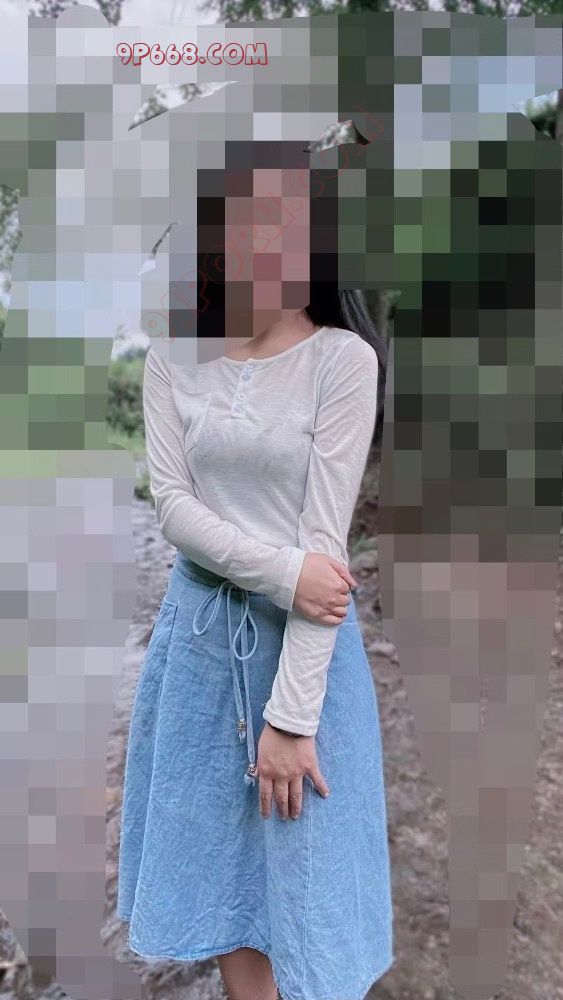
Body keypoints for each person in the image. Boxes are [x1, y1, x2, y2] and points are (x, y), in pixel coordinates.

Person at [117, 146, 393, 1000]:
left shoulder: (342, 361)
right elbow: (172, 505)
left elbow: (325, 543)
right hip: (199, 647)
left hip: (305, 653)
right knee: (224, 872)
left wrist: (291, 718)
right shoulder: (175, 356)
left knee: (309, 880)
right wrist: (282, 573)